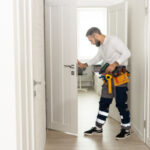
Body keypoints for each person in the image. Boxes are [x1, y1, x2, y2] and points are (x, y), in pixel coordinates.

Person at [78, 27, 131, 139]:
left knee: (121, 103)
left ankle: (126, 129)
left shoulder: (113, 40)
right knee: (104, 102)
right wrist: (84, 65)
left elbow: (127, 53)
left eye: (91, 40)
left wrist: (115, 64)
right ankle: (98, 128)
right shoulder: (102, 46)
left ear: (96, 35)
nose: (91, 43)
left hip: (120, 73)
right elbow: (97, 58)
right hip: (108, 76)